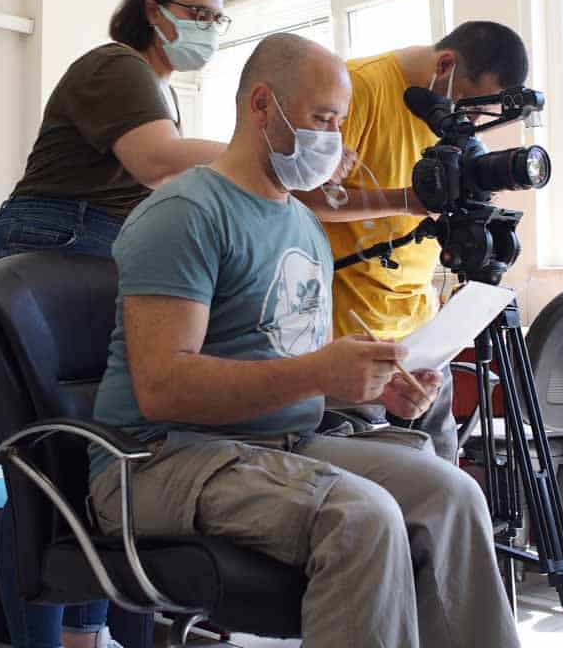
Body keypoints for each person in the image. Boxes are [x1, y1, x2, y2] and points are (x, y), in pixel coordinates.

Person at [87, 33, 520, 648]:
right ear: (262, 105)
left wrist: (378, 385)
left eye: (339, 123)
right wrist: (318, 373)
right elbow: (162, 388)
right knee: (363, 516)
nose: (335, 142)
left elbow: (282, 357)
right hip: (157, 459)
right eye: (322, 119)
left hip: (276, 442)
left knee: (452, 494)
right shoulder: (184, 213)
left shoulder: (302, 225)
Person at [0, 0, 228, 648]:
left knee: (95, 465)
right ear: (154, 11)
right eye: (198, 13)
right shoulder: (118, 67)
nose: (209, 28)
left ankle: (85, 634)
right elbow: (158, 162)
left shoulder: (157, 92)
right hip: (45, 255)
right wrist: (253, 153)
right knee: (46, 472)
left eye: (218, 19)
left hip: (84, 258)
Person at [294, 22, 531, 463]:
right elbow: (303, 197)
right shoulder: (357, 88)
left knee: (445, 480)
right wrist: (405, 200)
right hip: (352, 333)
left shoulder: (448, 120)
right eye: (470, 109)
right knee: (378, 486)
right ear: (445, 65)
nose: (470, 124)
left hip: (422, 335)